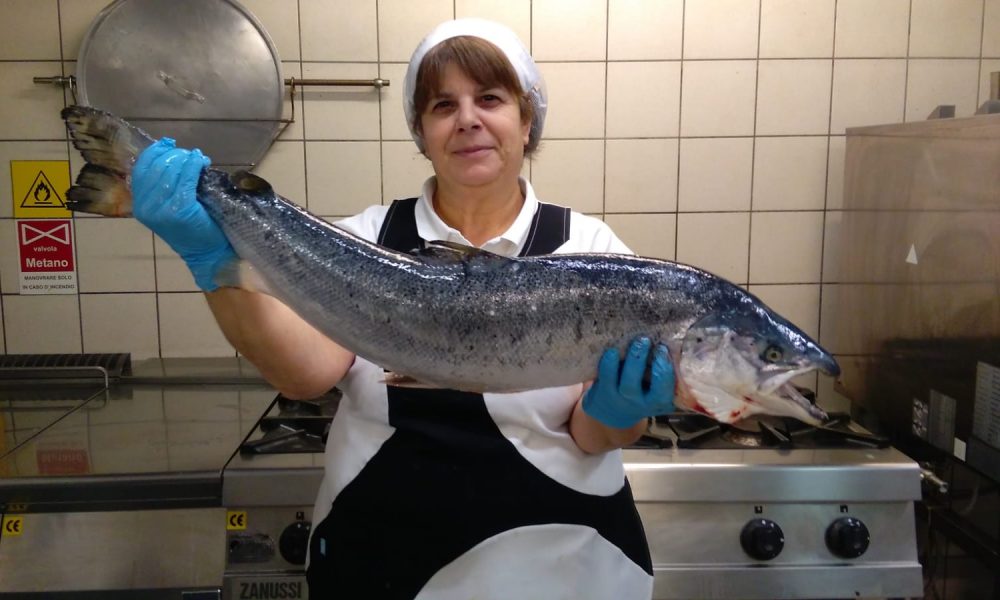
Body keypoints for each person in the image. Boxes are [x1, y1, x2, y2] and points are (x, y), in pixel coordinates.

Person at [130, 18, 674, 599]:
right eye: (443, 105)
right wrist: (217, 264)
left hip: (562, 571)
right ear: (421, 132)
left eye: (490, 99)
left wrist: (619, 409)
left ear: (526, 119)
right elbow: (305, 374)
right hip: (382, 565)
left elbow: (594, 436)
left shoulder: (592, 253)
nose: (468, 119)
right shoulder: (362, 240)